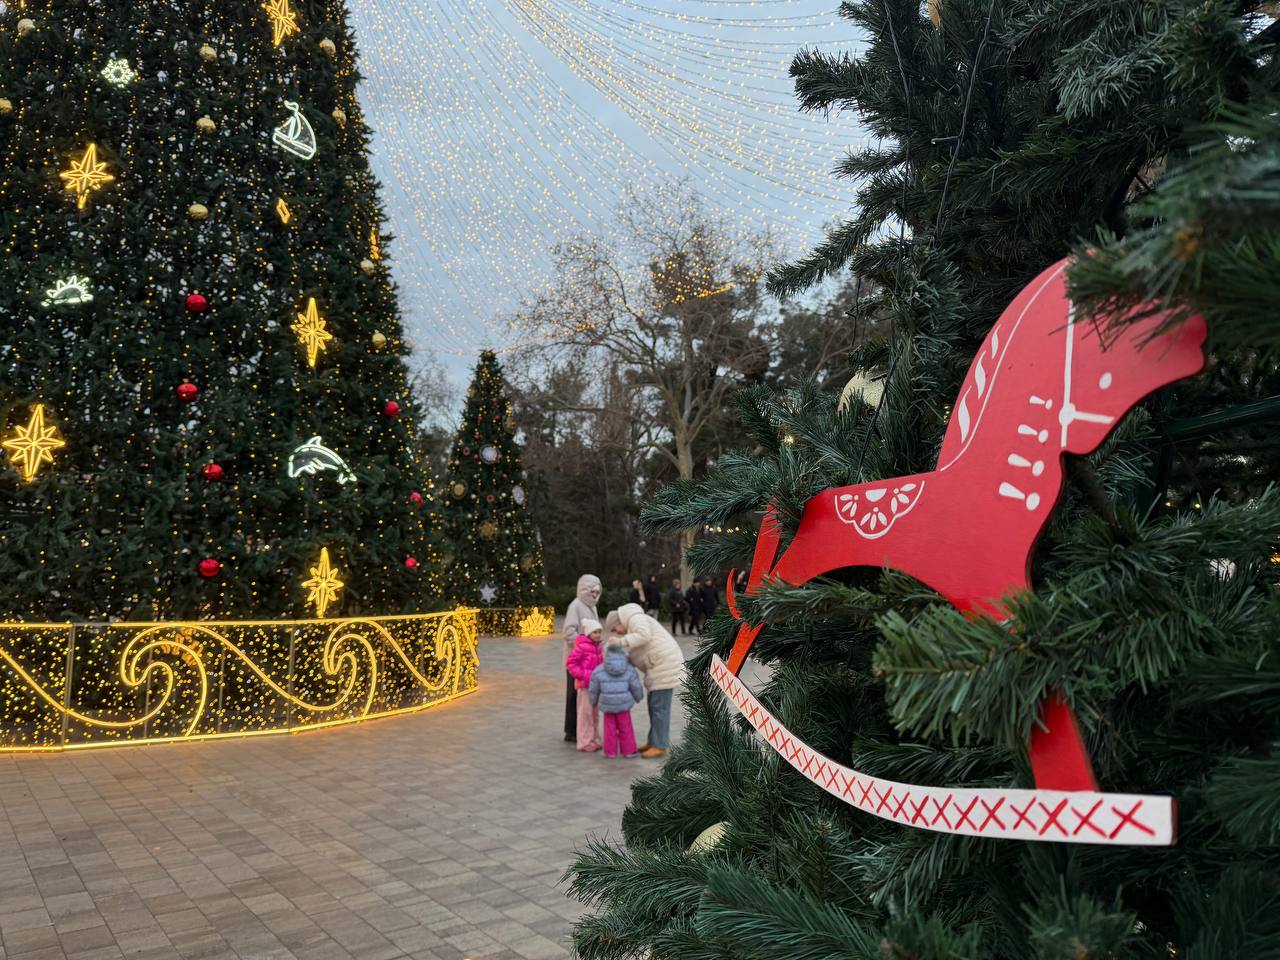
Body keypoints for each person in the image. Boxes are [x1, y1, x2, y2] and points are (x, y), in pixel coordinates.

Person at [615, 602, 687, 758]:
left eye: (615, 628)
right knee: (654, 706)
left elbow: (644, 635)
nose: (617, 632)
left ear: (620, 621)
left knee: (660, 709)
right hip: (660, 669)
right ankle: (653, 741)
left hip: (665, 668)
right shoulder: (636, 624)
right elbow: (640, 651)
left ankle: (660, 745)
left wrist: (621, 642)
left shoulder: (636, 619)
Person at [588, 641, 644, 759]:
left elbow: (594, 689)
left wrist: (593, 701)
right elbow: (636, 685)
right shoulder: (629, 669)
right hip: (624, 704)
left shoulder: (599, 670)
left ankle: (610, 752)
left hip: (607, 705)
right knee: (626, 727)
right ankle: (628, 751)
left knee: (609, 728)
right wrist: (638, 697)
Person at [562, 574, 601, 742]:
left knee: (585, 697)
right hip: (576, 660)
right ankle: (571, 731)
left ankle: (584, 728)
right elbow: (568, 631)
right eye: (592, 591)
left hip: (590, 662)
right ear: (584, 590)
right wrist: (584, 643)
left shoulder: (593, 607)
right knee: (573, 695)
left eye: (597, 592)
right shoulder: (575, 606)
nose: (594, 595)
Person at [565, 619, 604, 752]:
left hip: (596, 686)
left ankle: (594, 738)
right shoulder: (581, 646)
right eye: (595, 632)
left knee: (594, 714)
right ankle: (584, 742)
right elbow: (570, 664)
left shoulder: (599, 646)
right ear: (588, 633)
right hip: (585, 685)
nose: (598, 635)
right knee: (584, 714)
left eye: (599, 632)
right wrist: (584, 675)